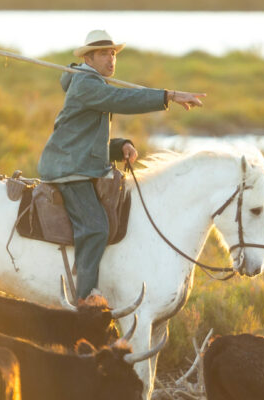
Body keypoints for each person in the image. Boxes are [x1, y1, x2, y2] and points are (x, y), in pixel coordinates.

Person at [37, 30, 206, 301]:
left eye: (113, 53)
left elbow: (88, 138)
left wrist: (119, 146)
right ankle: (86, 299)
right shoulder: (86, 84)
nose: (111, 59)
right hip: (68, 169)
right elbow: (123, 100)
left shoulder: (92, 82)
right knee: (95, 227)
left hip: (79, 162)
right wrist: (169, 96)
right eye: (104, 53)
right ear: (88, 58)